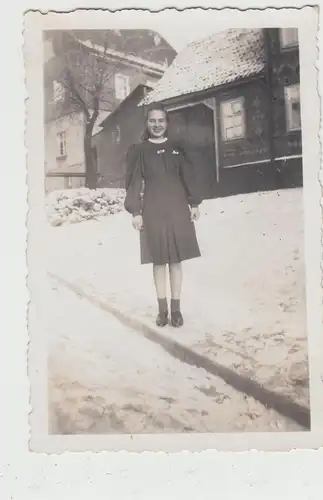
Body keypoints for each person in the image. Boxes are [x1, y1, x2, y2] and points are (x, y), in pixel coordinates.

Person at [124, 103, 202, 328]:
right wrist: (136, 212)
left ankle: (176, 310)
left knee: (176, 260)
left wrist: (194, 203)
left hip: (177, 208)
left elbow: (188, 176)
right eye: (152, 121)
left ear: (167, 123)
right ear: (146, 123)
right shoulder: (139, 150)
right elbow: (133, 183)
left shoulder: (177, 148)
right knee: (158, 262)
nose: (156, 125)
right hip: (152, 210)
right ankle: (162, 311)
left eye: (161, 121)